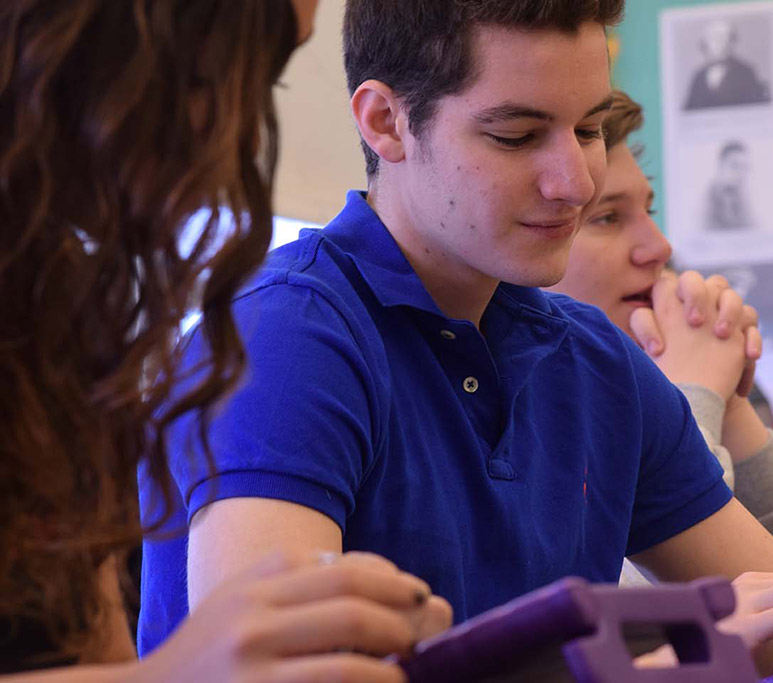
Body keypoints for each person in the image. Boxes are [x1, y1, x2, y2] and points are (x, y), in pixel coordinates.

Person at [139, 0, 773, 676]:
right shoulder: (288, 338)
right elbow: (266, 674)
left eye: (587, 128)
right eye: (516, 136)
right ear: (386, 123)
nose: (574, 180)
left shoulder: (595, 360)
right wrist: (675, 658)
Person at [0, 1, 449, 680]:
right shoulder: (302, 319)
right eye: (223, 65)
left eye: (269, 79)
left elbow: (88, 656)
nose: (242, 137)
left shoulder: (57, 308)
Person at [548, 91, 773, 586]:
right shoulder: (526, 410)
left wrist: (727, 402)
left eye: (648, 209)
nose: (659, 247)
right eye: (609, 218)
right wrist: (695, 393)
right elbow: (665, 600)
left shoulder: (645, 373)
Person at [684, 19, 769, 110]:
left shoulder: (746, 71)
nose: (720, 43)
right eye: (714, 38)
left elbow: (755, 107)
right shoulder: (698, 75)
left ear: (732, 42)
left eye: (724, 38)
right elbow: (688, 109)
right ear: (706, 43)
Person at [704, 141, 756, 230]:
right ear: (720, 166)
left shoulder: (744, 200)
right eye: (735, 166)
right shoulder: (705, 203)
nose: (741, 173)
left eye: (744, 167)